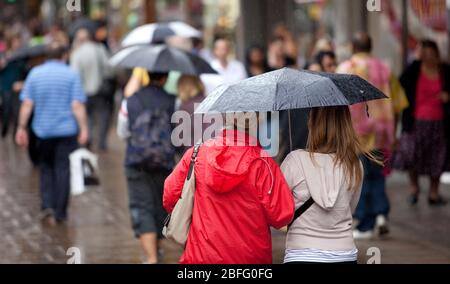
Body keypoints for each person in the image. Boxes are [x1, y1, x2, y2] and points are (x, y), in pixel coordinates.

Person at [164, 114, 295, 264]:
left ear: (224, 117)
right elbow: (281, 216)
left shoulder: (197, 154)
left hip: (201, 256)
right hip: (250, 258)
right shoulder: (264, 163)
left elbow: (170, 197)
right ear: (258, 120)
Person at [282, 106, 379, 264]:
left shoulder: (294, 160)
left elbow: (279, 209)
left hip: (301, 254)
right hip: (344, 254)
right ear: (346, 123)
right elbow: (350, 208)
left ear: (313, 123)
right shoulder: (354, 164)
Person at [15, 42, 88, 224]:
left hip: (42, 131)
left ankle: (47, 204)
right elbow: (77, 105)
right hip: (66, 131)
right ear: (64, 55)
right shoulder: (71, 74)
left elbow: (27, 104)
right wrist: (84, 128)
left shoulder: (35, 74)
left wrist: (21, 127)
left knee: (46, 167)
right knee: (63, 169)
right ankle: (60, 211)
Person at [337, 32, 395, 239]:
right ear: (370, 46)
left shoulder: (346, 69)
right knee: (378, 175)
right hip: (380, 130)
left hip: (356, 132)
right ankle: (380, 214)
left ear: (353, 46)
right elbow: (396, 99)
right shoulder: (383, 68)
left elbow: (339, 100)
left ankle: (365, 222)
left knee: (360, 176)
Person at [117, 72, 175, 264]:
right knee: (161, 205)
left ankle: (151, 258)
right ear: (165, 78)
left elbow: (122, 131)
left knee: (142, 206)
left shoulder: (131, 101)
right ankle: (157, 248)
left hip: (136, 161)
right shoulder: (172, 100)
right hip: (164, 162)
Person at [394, 40, 450, 206]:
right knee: (411, 155)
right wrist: (416, 60)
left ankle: (434, 192)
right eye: (424, 53)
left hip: (439, 122)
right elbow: (400, 83)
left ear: (437, 53)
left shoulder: (445, 70)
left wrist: (448, 96)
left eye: (431, 53)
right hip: (415, 121)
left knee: (438, 157)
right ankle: (414, 188)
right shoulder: (414, 69)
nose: (428, 57)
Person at [70, 28, 114, 151]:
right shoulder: (99, 49)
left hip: (83, 93)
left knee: (86, 116)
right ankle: (102, 141)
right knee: (103, 116)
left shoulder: (77, 53)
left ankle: (87, 139)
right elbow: (109, 68)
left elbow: (74, 75)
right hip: (100, 90)